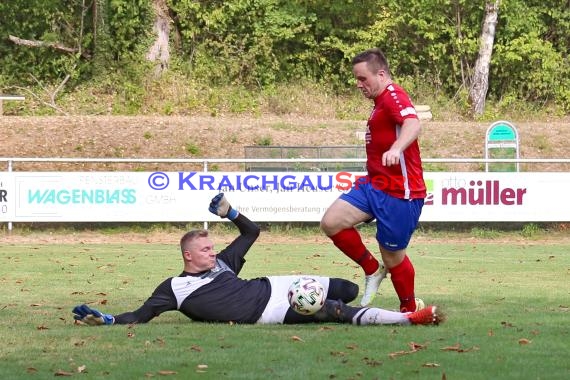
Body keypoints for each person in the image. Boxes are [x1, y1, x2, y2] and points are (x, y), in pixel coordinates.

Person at [73, 193, 441, 327]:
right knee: (333, 310)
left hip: (275, 284)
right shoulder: (174, 288)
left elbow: (251, 233)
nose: (213, 252)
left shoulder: (222, 264)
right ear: (187, 256)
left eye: (212, 247)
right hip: (269, 312)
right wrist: (107, 320)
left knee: (345, 289)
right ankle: (409, 318)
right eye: (204, 249)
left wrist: (231, 212)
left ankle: (375, 305)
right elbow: (140, 315)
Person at [320, 48, 426, 310]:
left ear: (381, 74)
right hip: (374, 184)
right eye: (356, 79)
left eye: (363, 79)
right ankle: (371, 269)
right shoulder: (379, 103)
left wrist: (396, 148)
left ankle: (409, 309)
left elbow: (413, 124)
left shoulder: (394, 96)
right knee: (331, 222)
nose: (359, 85)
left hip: (400, 192)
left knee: (393, 257)